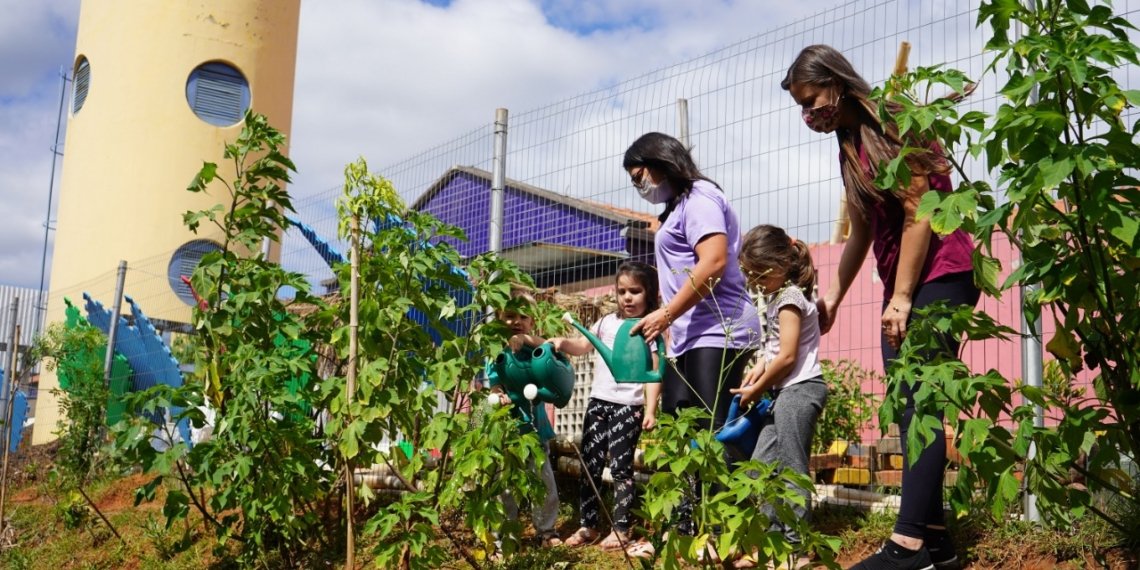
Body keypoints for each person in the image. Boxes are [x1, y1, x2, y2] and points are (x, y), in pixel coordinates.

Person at [782, 45, 978, 570]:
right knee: (909, 406)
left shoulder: (894, 120)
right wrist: (835, 296)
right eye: (800, 105)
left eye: (812, 99)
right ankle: (937, 546)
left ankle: (907, 544)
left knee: (922, 405)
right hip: (907, 282)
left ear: (838, 82)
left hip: (940, 275)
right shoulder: (850, 141)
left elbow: (920, 213)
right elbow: (863, 227)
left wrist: (903, 297)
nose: (808, 113)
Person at [624, 132, 762, 544]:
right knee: (680, 432)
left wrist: (665, 312)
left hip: (720, 330)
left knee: (717, 434)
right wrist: (669, 323)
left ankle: (726, 533)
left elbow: (715, 261)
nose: (639, 186)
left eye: (639, 175)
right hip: (687, 336)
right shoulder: (675, 208)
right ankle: (688, 529)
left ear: (660, 161)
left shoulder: (700, 197)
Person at [729, 224, 829, 570]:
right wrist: (759, 370)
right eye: (748, 274)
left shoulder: (789, 298)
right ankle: (768, 543)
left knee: (791, 468)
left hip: (800, 390)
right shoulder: (776, 296)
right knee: (760, 466)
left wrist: (757, 388)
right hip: (783, 392)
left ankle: (797, 547)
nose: (754, 282)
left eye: (759, 274)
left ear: (781, 264)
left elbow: (788, 357)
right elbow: (776, 353)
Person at [550, 261, 662, 552]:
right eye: (622, 291)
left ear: (649, 293)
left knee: (622, 468)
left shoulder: (647, 328)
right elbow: (583, 345)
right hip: (598, 403)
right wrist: (562, 342)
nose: (627, 297)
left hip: (629, 406)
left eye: (635, 291)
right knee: (590, 464)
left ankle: (622, 528)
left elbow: (654, 371)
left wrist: (650, 409)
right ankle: (589, 524)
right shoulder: (605, 323)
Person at [486, 288, 562, 554]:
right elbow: (494, 386)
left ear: (532, 322)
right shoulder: (495, 353)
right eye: (510, 316)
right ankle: (504, 539)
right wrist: (499, 395)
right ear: (499, 318)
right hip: (506, 432)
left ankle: (546, 531)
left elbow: (553, 348)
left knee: (542, 480)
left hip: (534, 430)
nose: (516, 321)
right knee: (504, 487)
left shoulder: (535, 350)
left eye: (523, 316)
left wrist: (527, 340)